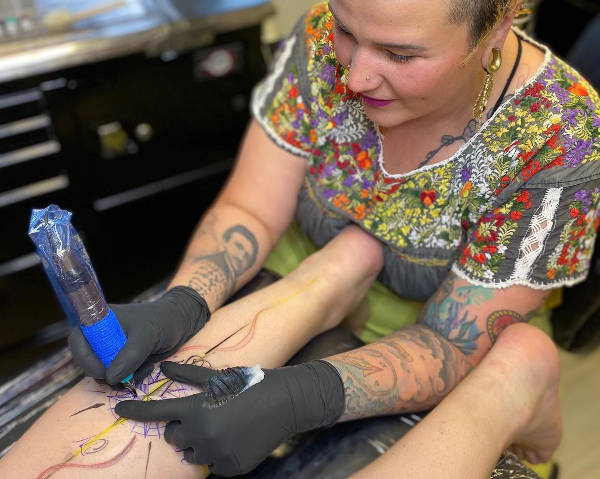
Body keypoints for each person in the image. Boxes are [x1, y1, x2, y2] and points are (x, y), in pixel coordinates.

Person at [2, 0, 599, 476]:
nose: (355, 74)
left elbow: (451, 343)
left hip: (430, 336)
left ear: (497, 25)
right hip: (291, 275)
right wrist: (184, 301)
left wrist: (306, 396)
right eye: (347, 30)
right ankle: (341, 271)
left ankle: (350, 272)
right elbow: (250, 210)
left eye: (399, 53)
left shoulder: (560, 134)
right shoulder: (319, 42)